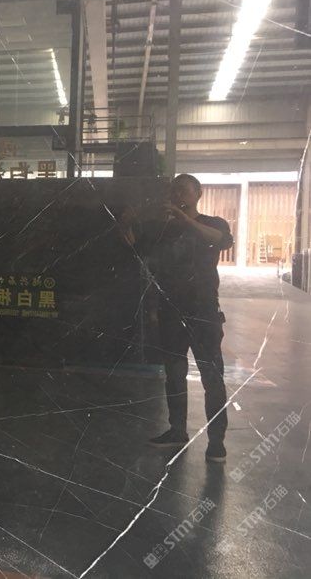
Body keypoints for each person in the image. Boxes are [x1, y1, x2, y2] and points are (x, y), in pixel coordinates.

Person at [120, 174, 234, 463]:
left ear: (198, 193)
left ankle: (216, 442)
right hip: (171, 311)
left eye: (183, 190)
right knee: (174, 374)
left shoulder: (213, 223)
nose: (177, 194)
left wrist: (184, 219)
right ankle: (177, 430)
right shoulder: (162, 229)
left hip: (204, 311)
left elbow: (221, 240)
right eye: (174, 190)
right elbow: (136, 248)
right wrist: (125, 223)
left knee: (212, 376)